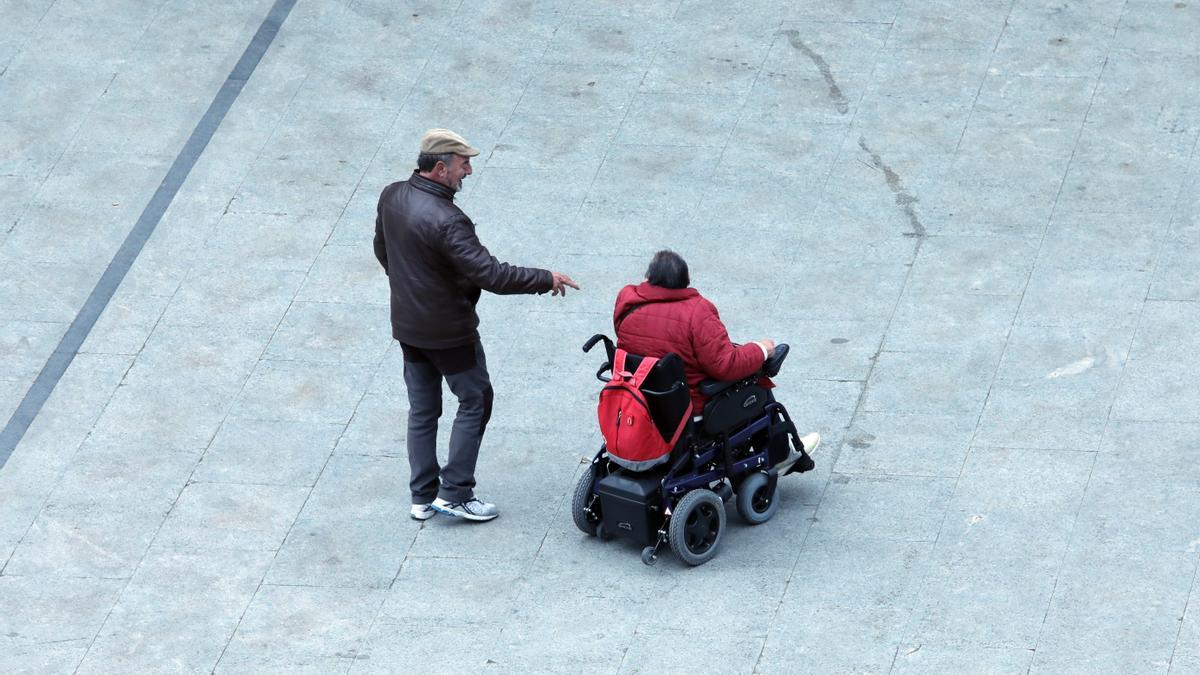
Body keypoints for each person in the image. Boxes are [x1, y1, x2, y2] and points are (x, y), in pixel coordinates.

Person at [374, 128, 579, 523]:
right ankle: (455, 492)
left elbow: (382, 250)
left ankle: (422, 496)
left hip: (407, 325)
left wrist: (409, 288)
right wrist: (545, 278)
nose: (467, 171)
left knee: (422, 409)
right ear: (439, 168)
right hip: (448, 331)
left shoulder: (392, 194)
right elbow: (492, 275)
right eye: (462, 164)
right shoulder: (449, 220)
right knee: (476, 399)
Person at [613, 250, 818, 467]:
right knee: (759, 386)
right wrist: (760, 350)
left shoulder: (628, 301)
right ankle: (780, 456)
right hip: (691, 409)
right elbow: (725, 366)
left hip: (639, 399)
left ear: (647, 277)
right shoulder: (697, 312)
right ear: (686, 282)